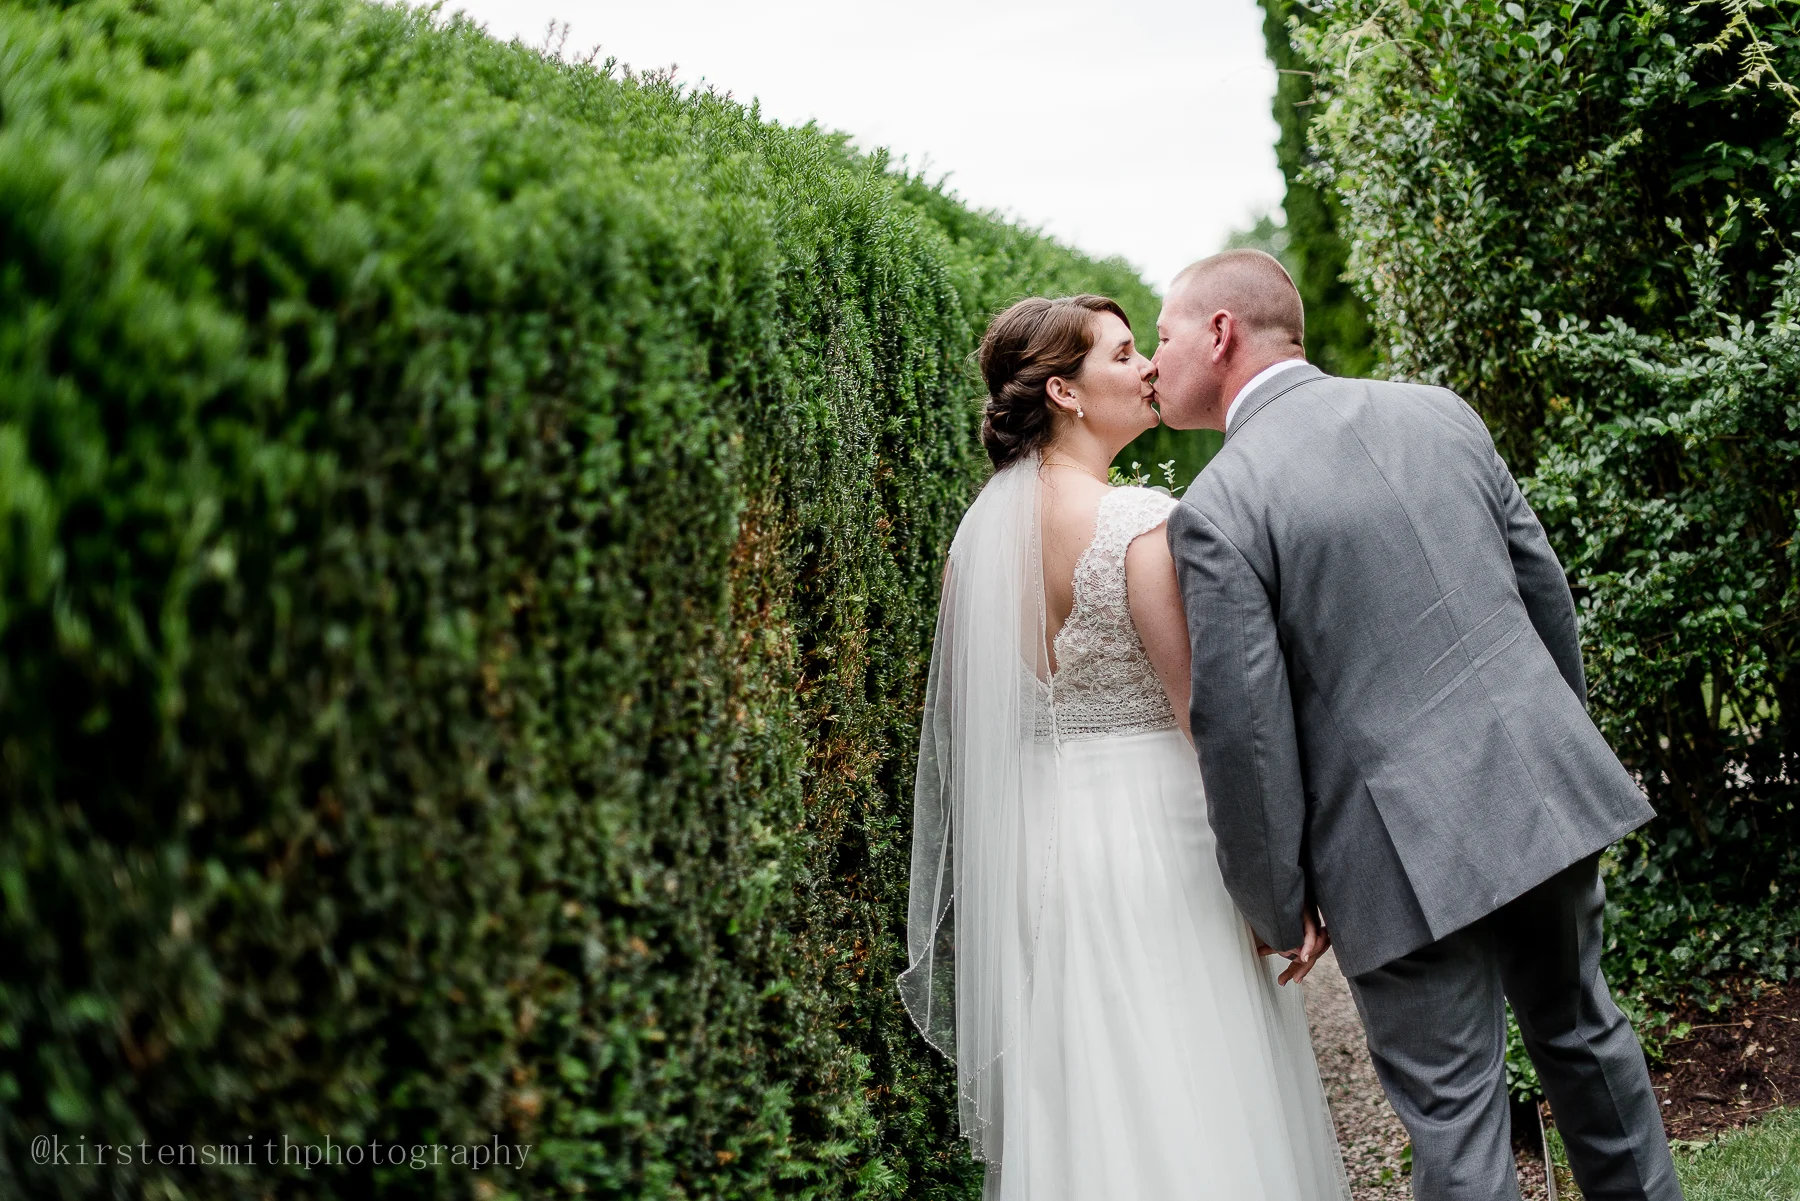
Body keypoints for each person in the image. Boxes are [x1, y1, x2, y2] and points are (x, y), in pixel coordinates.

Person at [1155, 250, 1683, 1201]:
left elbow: (1245, 733)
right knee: (1587, 1039)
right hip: (1538, 789)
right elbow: (1543, 594)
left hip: (1393, 857)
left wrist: (1279, 902)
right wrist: (1553, 762)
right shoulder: (1440, 412)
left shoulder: (1219, 509)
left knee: (1457, 1122)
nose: (1155, 362)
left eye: (1162, 335)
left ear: (1221, 332)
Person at [899, 294, 1349, 1200]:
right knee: (1196, 1072)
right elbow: (1209, 721)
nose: (1147, 368)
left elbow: (973, 723)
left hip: (1040, 849)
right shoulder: (1137, 525)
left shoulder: (973, 546)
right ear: (1064, 392)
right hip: (1160, 842)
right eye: (1124, 354)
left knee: (1092, 1085)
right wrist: (1280, 885)